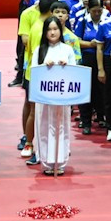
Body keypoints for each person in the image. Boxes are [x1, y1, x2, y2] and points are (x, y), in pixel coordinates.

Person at [30, 19, 77, 177]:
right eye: (49, 29)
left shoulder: (67, 50)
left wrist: (66, 66)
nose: (52, 32)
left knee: (61, 127)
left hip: (62, 98)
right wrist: (44, 66)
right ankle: (46, 161)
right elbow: (34, 72)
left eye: (55, 29)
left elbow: (74, 74)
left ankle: (60, 160)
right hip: (44, 98)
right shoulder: (39, 50)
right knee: (44, 127)